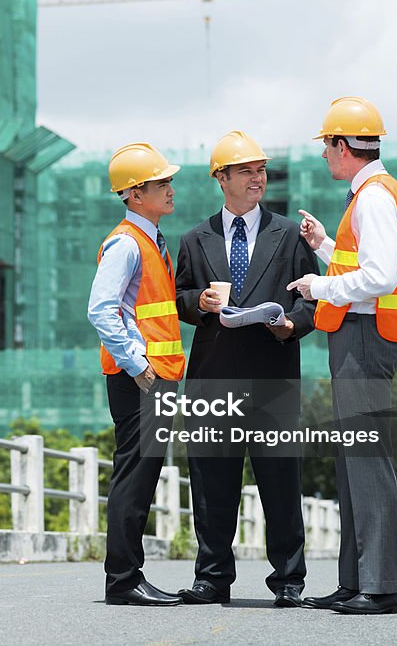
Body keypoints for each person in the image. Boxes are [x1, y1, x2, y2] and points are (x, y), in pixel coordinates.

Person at [288, 96, 397, 615]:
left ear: (344, 147)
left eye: (327, 146)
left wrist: (318, 285)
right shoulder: (371, 194)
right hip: (362, 333)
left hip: (366, 337)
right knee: (353, 461)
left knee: (366, 458)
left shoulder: (372, 197)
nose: (324, 155)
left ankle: (382, 585)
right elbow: (364, 267)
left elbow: (380, 278)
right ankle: (356, 581)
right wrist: (325, 244)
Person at [174, 131, 319, 607]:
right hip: (213, 377)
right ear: (222, 179)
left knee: (280, 481)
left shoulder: (288, 236)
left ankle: (289, 581)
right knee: (213, 483)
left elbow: (308, 302)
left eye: (261, 171)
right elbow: (178, 299)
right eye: (246, 171)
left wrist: (288, 325)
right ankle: (212, 578)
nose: (258, 179)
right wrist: (201, 301)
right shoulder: (196, 239)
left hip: (273, 374)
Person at [88, 142, 186, 606]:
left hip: (156, 377)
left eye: (168, 182)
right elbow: (101, 311)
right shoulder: (127, 243)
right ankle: (124, 580)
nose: (170, 190)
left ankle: (129, 576)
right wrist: (138, 364)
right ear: (132, 193)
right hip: (140, 380)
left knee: (143, 476)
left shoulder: (151, 241)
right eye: (160, 183)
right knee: (133, 476)